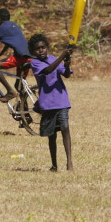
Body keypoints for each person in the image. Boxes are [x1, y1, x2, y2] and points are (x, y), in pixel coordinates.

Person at [28, 33, 74, 172]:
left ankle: (69, 163)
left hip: (61, 100)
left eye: (43, 47)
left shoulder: (53, 59)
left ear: (47, 47)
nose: (41, 50)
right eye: (37, 49)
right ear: (33, 51)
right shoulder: (35, 63)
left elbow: (65, 74)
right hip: (47, 103)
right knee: (52, 135)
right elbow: (48, 70)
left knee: (65, 128)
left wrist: (66, 64)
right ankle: (54, 165)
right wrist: (62, 56)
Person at [0, 8, 31, 102]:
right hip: (28, 58)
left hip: (20, 58)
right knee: (18, 86)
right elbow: (9, 41)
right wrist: (1, 53)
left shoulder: (2, 28)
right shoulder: (14, 25)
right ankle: (24, 111)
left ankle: (10, 91)